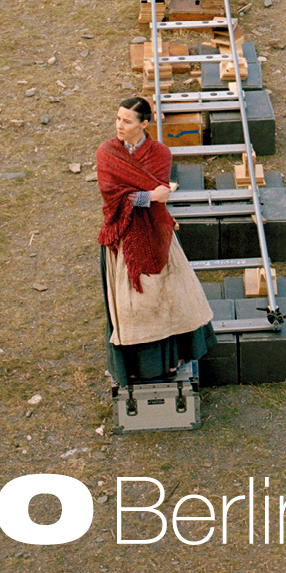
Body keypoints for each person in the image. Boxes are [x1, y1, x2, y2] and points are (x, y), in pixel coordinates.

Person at [96, 96, 215, 385]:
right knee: (133, 307)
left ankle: (172, 361)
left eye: (126, 121)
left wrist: (145, 196)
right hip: (124, 236)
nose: (119, 125)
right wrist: (148, 196)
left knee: (170, 298)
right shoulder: (107, 152)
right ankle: (138, 367)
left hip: (157, 232)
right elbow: (113, 195)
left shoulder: (160, 153)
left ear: (144, 124)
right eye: (117, 118)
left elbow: (155, 191)